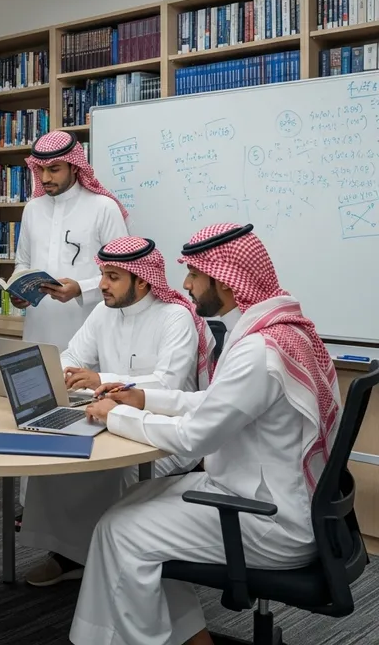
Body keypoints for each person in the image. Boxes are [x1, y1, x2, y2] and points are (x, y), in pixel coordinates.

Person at [70, 223, 341, 645]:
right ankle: (192, 639)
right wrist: (142, 398)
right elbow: (215, 403)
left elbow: (195, 437)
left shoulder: (259, 350)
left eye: (195, 275)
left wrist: (113, 417)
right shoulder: (275, 329)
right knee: (134, 504)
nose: (187, 284)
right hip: (267, 495)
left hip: (267, 518)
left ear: (226, 281)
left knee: (119, 529)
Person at [21, 236, 215, 587]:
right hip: (109, 417)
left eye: (112, 277)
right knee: (53, 453)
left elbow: (166, 386)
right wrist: (62, 373)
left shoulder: (175, 318)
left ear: (142, 280)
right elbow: (72, 356)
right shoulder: (103, 312)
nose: (102, 285)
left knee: (110, 470)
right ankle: (65, 553)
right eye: (103, 275)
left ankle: (111, 559)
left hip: (163, 432)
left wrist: (102, 378)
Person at [15, 130, 130, 351]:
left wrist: (80, 289)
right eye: (40, 170)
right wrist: (19, 290)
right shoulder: (32, 209)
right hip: (37, 329)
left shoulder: (103, 207)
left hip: (89, 330)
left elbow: (122, 273)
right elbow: (23, 262)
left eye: (54, 169)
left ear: (74, 166)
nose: (45, 178)